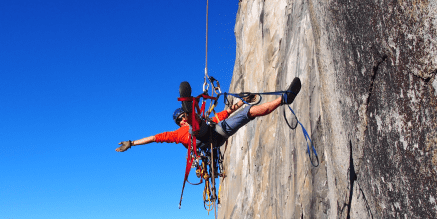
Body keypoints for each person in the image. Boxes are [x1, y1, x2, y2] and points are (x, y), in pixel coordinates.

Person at [115, 79, 300, 152]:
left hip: (217, 131)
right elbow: (154, 138)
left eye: (182, 117)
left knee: (249, 113)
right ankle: (188, 105)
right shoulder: (177, 134)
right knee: (196, 128)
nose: (182, 120)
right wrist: (132, 143)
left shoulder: (208, 120)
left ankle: (284, 99)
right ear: (179, 122)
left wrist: (243, 101)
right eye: (180, 119)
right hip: (202, 139)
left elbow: (227, 112)